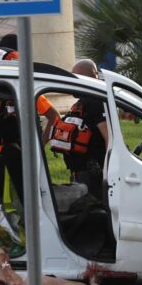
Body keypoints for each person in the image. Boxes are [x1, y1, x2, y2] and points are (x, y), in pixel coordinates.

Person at [0, 34, 61, 218]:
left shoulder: (23, 88)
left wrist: (39, 146)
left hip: (14, 157)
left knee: (28, 205)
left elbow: (54, 116)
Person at [52, 59, 109, 199]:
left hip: (88, 173)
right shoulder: (87, 104)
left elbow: (109, 139)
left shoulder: (91, 104)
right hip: (85, 173)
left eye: (76, 77)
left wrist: (109, 171)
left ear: (92, 76)